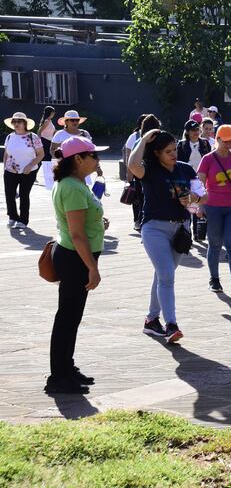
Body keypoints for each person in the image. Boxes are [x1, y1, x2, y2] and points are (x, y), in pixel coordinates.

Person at [129, 129, 205, 343]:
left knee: (163, 275)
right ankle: (171, 324)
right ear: (156, 153)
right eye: (167, 151)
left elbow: (203, 194)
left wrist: (193, 198)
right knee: (167, 276)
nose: (173, 154)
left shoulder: (186, 169)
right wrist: (143, 140)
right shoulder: (150, 170)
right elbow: (132, 165)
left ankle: (151, 320)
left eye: (174, 149)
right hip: (154, 228)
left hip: (181, 229)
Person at [46, 136, 107, 394]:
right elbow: (77, 234)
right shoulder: (71, 186)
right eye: (93, 155)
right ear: (78, 159)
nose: (97, 159)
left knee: (72, 318)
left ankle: (66, 368)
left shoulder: (77, 183)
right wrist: (92, 268)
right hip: (75, 258)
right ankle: (58, 377)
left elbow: (82, 224)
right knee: (67, 318)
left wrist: (99, 225)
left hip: (76, 256)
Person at [197, 125, 231, 295]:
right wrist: (199, 205)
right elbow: (199, 185)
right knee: (215, 245)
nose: (229, 144)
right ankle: (214, 280)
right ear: (217, 139)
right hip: (213, 206)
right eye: (225, 141)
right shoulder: (208, 159)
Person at [3, 112, 44, 229]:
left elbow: (41, 154)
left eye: (19, 121)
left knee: (24, 195)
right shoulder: (10, 136)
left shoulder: (33, 137)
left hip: (28, 172)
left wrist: (30, 166)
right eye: (14, 121)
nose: (16, 123)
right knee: (9, 194)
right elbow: (6, 153)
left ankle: (23, 220)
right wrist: (4, 168)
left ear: (25, 123)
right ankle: (12, 217)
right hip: (10, 171)